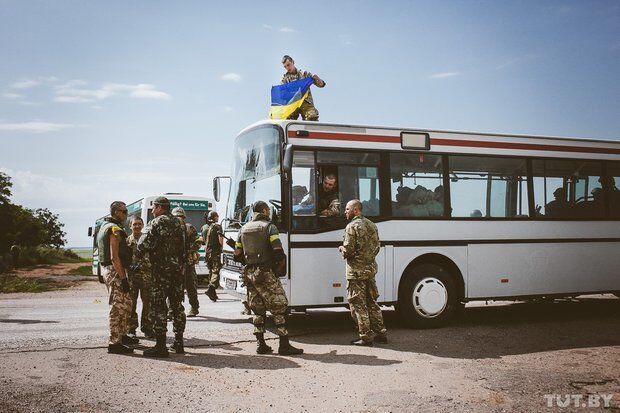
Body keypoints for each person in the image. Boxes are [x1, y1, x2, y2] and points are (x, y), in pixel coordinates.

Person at [234, 201, 303, 355]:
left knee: (258, 309)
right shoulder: (269, 227)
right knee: (280, 306)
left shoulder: (243, 229)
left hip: (250, 274)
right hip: (265, 272)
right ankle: (284, 345)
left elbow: (237, 255)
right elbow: (278, 251)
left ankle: (261, 344)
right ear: (265, 211)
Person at [138, 197, 186, 357]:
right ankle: (179, 342)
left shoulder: (157, 222)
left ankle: (160, 345)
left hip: (161, 270)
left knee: (159, 305)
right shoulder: (179, 223)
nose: (152, 210)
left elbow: (143, 245)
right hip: (177, 270)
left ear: (160, 207)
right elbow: (184, 248)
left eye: (153, 207)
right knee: (177, 305)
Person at [339, 199, 387, 346]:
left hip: (356, 272)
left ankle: (366, 337)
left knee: (358, 305)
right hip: (370, 270)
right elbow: (377, 247)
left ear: (355, 210)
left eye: (347, 209)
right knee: (372, 302)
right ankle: (381, 333)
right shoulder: (372, 225)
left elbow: (348, 251)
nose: (345, 212)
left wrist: (341, 249)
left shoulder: (351, 227)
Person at [96, 201, 135, 354]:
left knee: (126, 303)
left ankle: (122, 335)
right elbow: (114, 257)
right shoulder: (113, 229)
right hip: (115, 270)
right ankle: (114, 342)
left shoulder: (104, 226)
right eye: (124, 212)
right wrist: (123, 278)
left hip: (111, 269)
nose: (126, 215)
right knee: (118, 306)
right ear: (116, 212)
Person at [126, 216, 153, 338]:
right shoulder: (127, 241)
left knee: (148, 303)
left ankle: (147, 327)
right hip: (132, 277)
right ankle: (131, 328)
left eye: (139, 224)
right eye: (134, 224)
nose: (137, 226)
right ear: (130, 226)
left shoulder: (147, 239)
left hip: (146, 276)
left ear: (142, 225)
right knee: (131, 303)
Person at [172, 207, 201, 317]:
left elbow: (198, 242)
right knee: (174, 287)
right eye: (176, 217)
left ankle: (194, 307)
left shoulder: (189, 228)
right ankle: (172, 310)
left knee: (190, 286)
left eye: (180, 217)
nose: (179, 219)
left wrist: (189, 250)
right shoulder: (171, 229)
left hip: (188, 263)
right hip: (175, 263)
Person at [280, 55, 326, 121]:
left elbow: (321, 85)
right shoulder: (284, 79)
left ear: (293, 62)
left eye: (288, 65)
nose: (287, 68)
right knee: (287, 119)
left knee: (312, 117)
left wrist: (317, 78)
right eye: (285, 67)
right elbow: (282, 95)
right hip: (292, 104)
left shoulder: (304, 74)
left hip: (306, 102)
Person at [201, 211, 223, 302]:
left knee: (211, 272)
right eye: (217, 216)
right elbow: (221, 241)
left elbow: (203, 240)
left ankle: (213, 294)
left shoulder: (204, 227)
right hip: (215, 253)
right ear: (215, 217)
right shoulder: (217, 227)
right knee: (216, 271)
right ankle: (211, 288)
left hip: (208, 253)